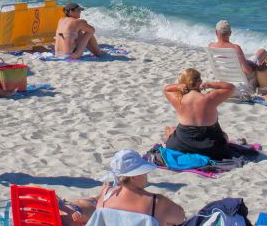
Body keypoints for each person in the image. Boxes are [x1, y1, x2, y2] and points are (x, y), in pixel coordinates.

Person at [59, 150, 187, 226]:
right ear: (133, 176)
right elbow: (181, 218)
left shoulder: (105, 194)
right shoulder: (156, 202)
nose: (146, 177)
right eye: (143, 173)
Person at [161, 68, 237, 161]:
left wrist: (178, 87)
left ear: (182, 83)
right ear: (200, 81)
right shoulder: (210, 98)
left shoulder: (179, 99)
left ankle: (171, 133)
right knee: (224, 136)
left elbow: (166, 89)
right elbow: (231, 87)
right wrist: (209, 84)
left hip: (182, 146)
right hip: (211, 148)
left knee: (172, 130)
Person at [208, 20, 267, 87]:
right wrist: (255, 67)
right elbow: (247, 71)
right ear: (230, 33)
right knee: (262, 52)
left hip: (223, 77)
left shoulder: (211, 46)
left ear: (216, 32)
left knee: (249, 61)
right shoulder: (235, 48)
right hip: (239, 78)